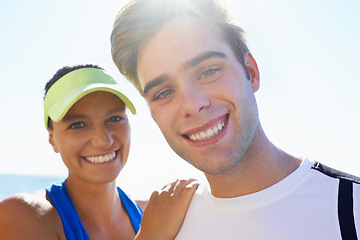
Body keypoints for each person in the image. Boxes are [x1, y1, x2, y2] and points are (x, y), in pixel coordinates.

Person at [110, 0, 360, 239]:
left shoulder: (351, 208)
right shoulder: (165, 229)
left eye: (208, 71)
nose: (192, 105)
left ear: (250, 72)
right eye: (163, 93)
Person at [0, 64, 198, 240]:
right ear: (52, 139)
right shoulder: (21, 214)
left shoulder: (155, 214)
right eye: (78, 124)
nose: (104, 140)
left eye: (114, 118)